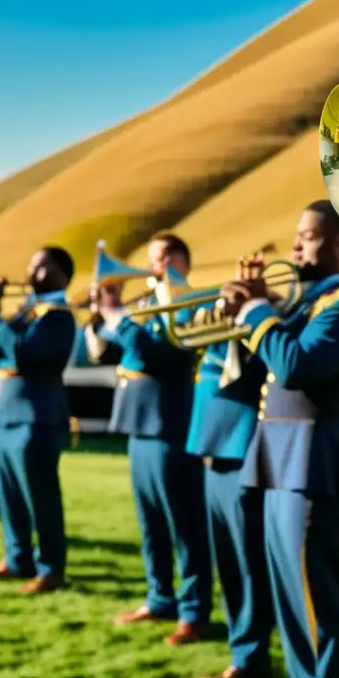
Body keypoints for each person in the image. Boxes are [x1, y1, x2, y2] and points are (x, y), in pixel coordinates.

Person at [220, 200, 339, 678]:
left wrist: (256, 311)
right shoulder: (307, 306)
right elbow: (254, 375)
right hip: (283, 465)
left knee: (317, 610)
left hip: (314, 470)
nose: (293, 245)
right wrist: (239, 317)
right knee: (292, 604)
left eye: (306, 236)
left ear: (338, 245)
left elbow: (294, 365)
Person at [86, 232, 212, 646]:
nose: (152, 264)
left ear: (182, 260)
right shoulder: (141, 305)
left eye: (162, 256)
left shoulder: (190, 303)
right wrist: (99, 317)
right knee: (151, 521)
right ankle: (160, 598)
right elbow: (106, 353)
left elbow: (152, 352)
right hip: (140, 422)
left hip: (170, 421)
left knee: (184, 523)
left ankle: (193, 610)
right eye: (152, 256)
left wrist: (116, 317)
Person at [0, 247, 77, 595]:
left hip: (35, 416)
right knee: (9, 495)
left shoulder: (58, 316)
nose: (32, 270)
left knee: (39, 496)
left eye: (42, 265)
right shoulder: (24, 314)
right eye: (31, 262)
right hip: (4, 412)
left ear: (62, 274)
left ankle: (51, 569)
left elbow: (26, 353)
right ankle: (17, 560)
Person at [188, 261, 276, 678]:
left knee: (248, 563)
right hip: (216, 447)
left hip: (244, 448)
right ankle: (242, 651)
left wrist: (249, 312)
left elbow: (246, 371)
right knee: (228, 562)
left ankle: (252, 660)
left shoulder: (270, 314)